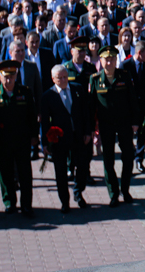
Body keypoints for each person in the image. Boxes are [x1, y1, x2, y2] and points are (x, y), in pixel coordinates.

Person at [90, 45, 140, 207]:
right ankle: (113, 193)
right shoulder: (96, 79)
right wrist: (92, 129)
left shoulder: (124, 76)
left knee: (128, 157)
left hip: (124, 123)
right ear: (101, 61)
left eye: (112, 59)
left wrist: (135, 122)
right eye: (106, 59)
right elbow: (92, 107)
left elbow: (133, 100)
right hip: (106, 125)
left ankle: (125, 190)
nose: (109, 62)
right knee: (108, 159)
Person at [0, 59, 37, 216]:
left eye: (12, 76)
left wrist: (35, 136)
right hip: (3, 142)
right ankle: (9, 202)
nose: (9, 80)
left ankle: (26, 205)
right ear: (0, 77)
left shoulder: (25, 93)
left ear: (16, 76)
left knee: (25, 174)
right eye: (5, 77)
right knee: (5, 174)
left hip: (22, 140)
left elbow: (32, 117)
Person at [40, 64, 92, 212]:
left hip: (78, 135)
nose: (63, 80)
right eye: (59, 78)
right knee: (60, 171)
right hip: (59, 140)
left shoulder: (77, 89)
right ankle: (65, 201)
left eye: (65, 77)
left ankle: (78, 191)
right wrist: (45, 143)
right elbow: (44, 122)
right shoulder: (48, 96)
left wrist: (88, 132)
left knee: (82, 166)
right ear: (53, 79)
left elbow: (85, 112)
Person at [123, 41, 145, 173]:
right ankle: (129, 160)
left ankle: (139, 160)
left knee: (141, 134)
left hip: (142, 105)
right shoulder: (125, 65)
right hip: (128, 106)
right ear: (139, 52)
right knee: (128, 134)